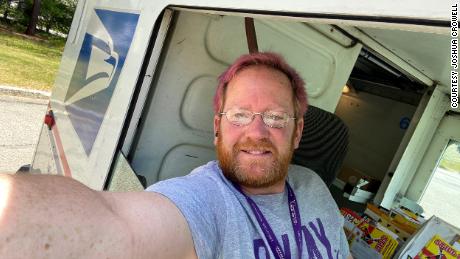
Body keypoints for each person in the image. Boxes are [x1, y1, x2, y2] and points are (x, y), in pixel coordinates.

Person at [0, 52, 352, 259]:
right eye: (240, 115)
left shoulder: (314, 186)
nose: (256, 132)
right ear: (217, 127)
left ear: (298, 132)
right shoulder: (206, 200)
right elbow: (116, 223)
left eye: (275, 117)